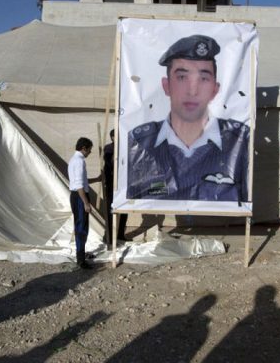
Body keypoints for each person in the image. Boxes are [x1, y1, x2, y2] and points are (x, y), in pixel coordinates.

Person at [126, 34, 249, 202]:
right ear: (166, 85)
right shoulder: (141, 141)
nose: (192, 90)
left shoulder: (239, 139)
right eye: (182, 77)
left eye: (203, 78)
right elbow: (136, 195)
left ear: (215, 89)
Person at [67, 137, 100, 268]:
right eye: (89, 150)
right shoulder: (79, 161)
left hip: (76, 196)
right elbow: (79, 185)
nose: (89, 153)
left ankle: (81, 253)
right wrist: (86, 203)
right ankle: (81, 260)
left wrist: (97, 179)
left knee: (80, 225)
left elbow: (82, 181)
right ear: (84, 148)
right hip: (80, 197)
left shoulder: (73, 160)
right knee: (81, 228)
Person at [103, 129, 129, 242]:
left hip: (122, 183)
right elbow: (110, 161)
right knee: (111, 210)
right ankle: (108, 236)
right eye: (116, 136)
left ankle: (120, 234)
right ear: (112, 137)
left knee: (124, 209)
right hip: (111, 184)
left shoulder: (124, 147)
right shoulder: (109, 148)